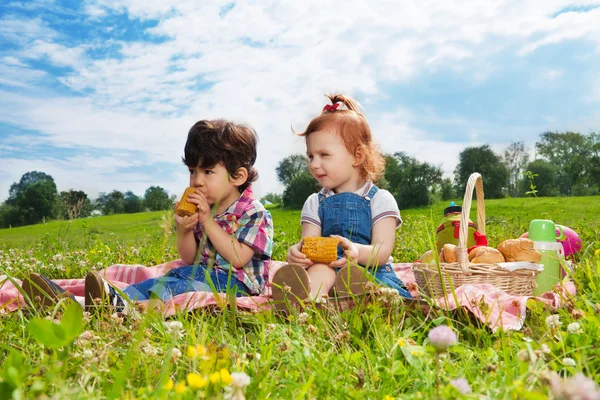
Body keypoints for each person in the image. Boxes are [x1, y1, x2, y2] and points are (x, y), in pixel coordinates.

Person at [22, 119, 273, 312]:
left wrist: (207, 223)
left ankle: (120, 309)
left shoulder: (253, 212)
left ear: (237, 176)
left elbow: (238, 258)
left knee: (177, 289)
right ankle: (78, 302)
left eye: (207, 172)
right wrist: (184, 230)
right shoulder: (204, 208)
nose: (196, 181)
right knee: (160, 282)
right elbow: (190, 259)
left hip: (237, 285)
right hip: (198, 274)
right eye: (192, 171)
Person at [272, 94, 411, 310]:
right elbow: (309, 243)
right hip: (327, 268)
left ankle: (350, 297)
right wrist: (298, 253)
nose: (314, 164)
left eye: (324, 155)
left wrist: (356, 251)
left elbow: (382, 252)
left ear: (357, 156)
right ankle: (309, 305)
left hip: (369, 269)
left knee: (359, 279)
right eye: (310, 156)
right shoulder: (315, 202)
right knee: (320, 270)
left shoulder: (380, 199)